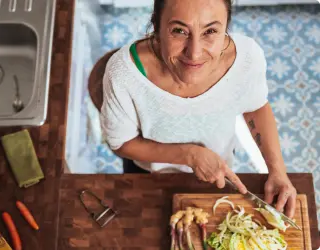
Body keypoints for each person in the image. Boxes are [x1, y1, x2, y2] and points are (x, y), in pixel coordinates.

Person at [98, 0, 297, 218]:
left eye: (210, 31)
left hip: (217, 170)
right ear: (156, 27)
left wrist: (277, 171)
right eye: (179, 31)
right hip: (149, 175)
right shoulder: (123, 74)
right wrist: (190, 155)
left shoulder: (248, 58)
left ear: (226, 27)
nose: (194, 54)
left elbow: (255, 106)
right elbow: (121, 143)